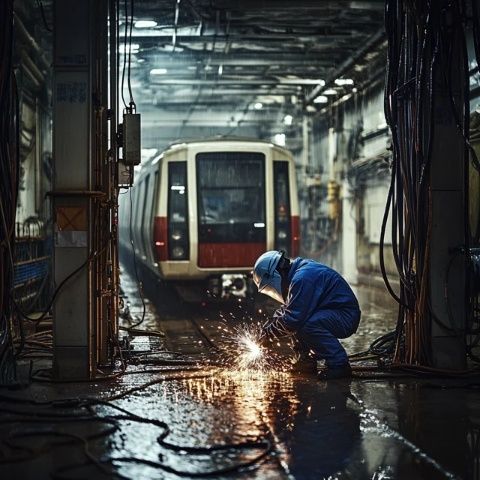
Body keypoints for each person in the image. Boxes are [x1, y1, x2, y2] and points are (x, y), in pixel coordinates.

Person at [253, 250, 361, 379]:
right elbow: (290, 309)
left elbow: (293, 318)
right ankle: (306, 361)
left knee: (305, 324)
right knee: (298, 320)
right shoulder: (298, 273)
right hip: (332, 312)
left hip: (345, 317)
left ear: (275, 274)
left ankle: (339, 365)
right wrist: (268, 328)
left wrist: (269, 334)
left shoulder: (302, 278)